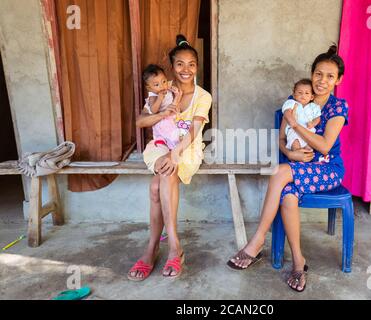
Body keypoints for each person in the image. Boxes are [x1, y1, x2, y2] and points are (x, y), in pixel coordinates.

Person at [227, 45, 349, 293]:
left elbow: (325, 146)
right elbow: (282, 139)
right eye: (318, 74)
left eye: (329, 76)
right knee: (288, 195)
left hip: (328, 169)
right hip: (298, 165)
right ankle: (298, 262)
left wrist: (296, 124)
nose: (322, 81)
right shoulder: (294, 102)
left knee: (280, 172)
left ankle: (258, 240)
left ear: (338, 80)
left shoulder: (338, 107)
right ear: (311, 73)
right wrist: (290, 152)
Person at [128, 35, 212, 281]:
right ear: (172, 66)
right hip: (160, 146)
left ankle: (155, 247)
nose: (186, 70)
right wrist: (163, 111)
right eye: (180, 64)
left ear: (197, 67)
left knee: (158, 184)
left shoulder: (203, 96)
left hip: (187, 148)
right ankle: (174, 246)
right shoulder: (161, 92)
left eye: (192, 64)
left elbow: (195, 130)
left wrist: (175, 154)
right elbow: (141, 121)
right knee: (162, 179)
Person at [141, 64, 183, 173]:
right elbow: (154, 110)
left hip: (171, 118)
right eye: (156, 84)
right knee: (169, 136)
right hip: (161, 122)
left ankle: (174, 149)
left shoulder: (167, 88)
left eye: (163, 81)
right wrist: (160, 98)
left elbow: (173, 103)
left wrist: (177, 94)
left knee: (177, 134)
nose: (162, 86)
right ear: (149, 88)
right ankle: (169, 149)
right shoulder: (153, 96)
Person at [282, 79, 321, 152]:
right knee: (295, 144)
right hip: (294, 131)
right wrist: (291, 121)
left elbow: (318, 118)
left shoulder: (314, 106)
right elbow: (286, 112)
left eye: (307, 93)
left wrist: (313, 123)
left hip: (309, 133)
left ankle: (305, 158)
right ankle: (297, 154)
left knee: (309, 149)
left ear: (311, 97)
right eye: (300, 92)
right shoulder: (292, 103)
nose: (303, 95)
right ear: (294, 95)